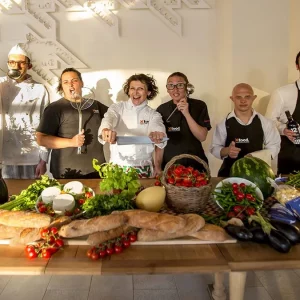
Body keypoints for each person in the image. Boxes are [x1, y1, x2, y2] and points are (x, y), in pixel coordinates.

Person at [36, 68, 108, 179]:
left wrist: (107, 128)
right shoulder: (54, 108)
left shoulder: (95, 105)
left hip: (97, 169)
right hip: (67, 171)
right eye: (65, 82)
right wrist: (71, 142)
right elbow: (41, 139)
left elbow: (114, 117)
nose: (70, 84)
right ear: (62, 86)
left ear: (81, 83)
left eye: (74, 80)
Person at [99, 73, 166, 178]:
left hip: (143, 167)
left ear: (148, 92)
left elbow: (158, 127)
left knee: (144, 194)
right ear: (128, 91)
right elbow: (109, 118)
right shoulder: (117, 108)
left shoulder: (153, 114)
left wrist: (158, 133)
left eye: (140, 88)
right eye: (132, 88)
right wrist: (106, 129)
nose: (135, 92)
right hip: (118, 167)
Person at [0, 44, 49, 179]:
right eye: (12, 62)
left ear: (29, 66)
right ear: (8, 64)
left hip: (32, 156)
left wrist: (44, 159)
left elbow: (45, 125)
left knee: (32, 195)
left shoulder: (40, 89)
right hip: (5, 155)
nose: (16, 66)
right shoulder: (1, 85)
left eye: (21, 63)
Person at [210, 83, 281, 177]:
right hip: (229, 174)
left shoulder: (266, 123)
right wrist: (227, 151)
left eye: (247, 97)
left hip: (258, 174)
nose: (243, 100)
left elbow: (274, 146)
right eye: (238, 97)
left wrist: (255, 156)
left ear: (253, 98)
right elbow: (214, 148)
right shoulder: (223, 124)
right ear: (232, 99)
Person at [156, 72, 211, 171]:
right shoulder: (161, 109)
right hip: (170, 165)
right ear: (167, 89)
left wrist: (186, 114)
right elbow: (160, 143)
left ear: (187, 87)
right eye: (171, 86)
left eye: (180, 85)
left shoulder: (200, 106)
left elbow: (202, 137)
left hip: (196, 164)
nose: (175, 89)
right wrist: (157, 167)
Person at [265, 51, 300, 174]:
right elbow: (268, 121)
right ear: (297, 66)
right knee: (288, 191)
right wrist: (283, 129)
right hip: (292, 153)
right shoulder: (282, 93)